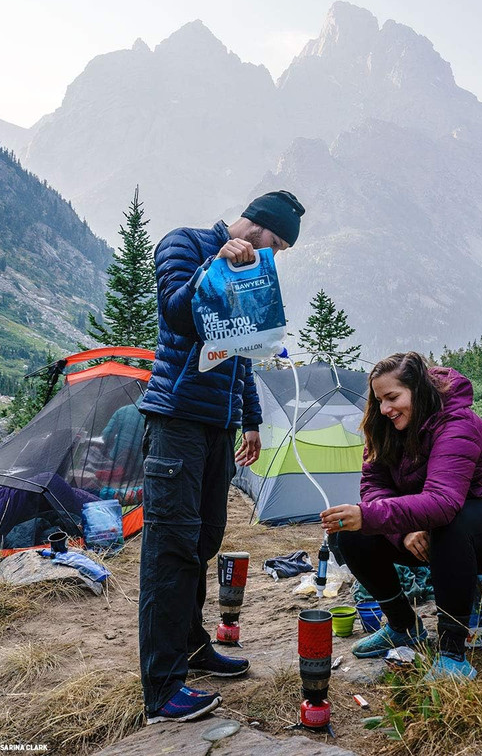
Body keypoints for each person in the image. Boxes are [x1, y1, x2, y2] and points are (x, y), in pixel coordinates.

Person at [137, 190, 305, 724]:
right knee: (170, 546)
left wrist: (250, 420)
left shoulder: (251, 270)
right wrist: (214, 266)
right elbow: (176, 313)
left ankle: (192, 647)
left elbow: (241, 352)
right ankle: (162, 690)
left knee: (204, 540)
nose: (275, 255)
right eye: (277, 244)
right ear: (257, 226)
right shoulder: (185, 244)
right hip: (177, 419)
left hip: (219, 425)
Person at [321, 352, 482, 682]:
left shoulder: (458, 424)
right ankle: (403, 626)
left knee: (450, 523)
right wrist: (403, 531)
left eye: (393, 397)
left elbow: (444, 502)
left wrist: (378, 517)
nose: (385, 409)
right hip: (434, 527)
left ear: (418, 390)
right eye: (379, 400)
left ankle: (452, 654)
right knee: (351, 534)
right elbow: (374, 487)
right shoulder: (385, 427)